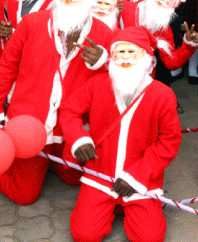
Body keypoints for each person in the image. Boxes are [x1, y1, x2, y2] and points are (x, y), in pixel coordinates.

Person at [0, 0, 113, 205]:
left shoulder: (103, 33)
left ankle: (52, 163)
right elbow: (6, 68)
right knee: (25, 195)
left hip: (68, 129)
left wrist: (103, 61)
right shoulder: (32, 23)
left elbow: (113, 83)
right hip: (30, 126)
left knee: (74, 178)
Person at [61, 26, 182, 242]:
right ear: (112, 56)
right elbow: (69, 111)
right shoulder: (97, 84)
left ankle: (131, 206)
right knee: (85, 235)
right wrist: (78, 139)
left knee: (150, 238)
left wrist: (138, 175)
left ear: (146, 57)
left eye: (132, 52)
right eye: (120, 52)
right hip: (100, 173)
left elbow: (170, 141)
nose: (125, 58)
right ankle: (114, 206)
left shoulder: (163, 94)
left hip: (141, 178)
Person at [120, 0, 198, 112]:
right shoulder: (126, 7)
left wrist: (188, 44)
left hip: (142, 80)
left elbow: (172, 62)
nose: (162, 0)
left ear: (173, 7)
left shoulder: (164, 30)